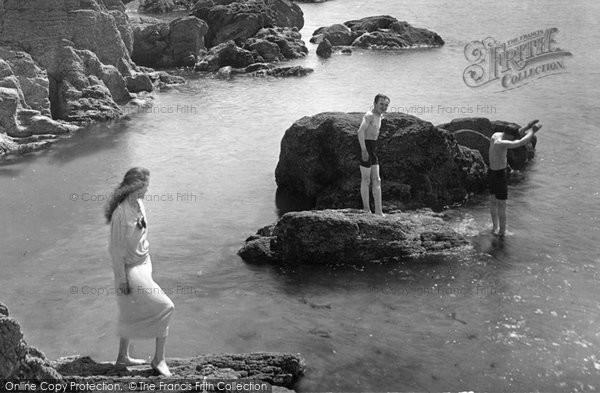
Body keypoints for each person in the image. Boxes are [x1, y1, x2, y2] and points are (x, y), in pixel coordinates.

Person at [104, 167, 175, 376]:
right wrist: (122, 280)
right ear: (134, 186)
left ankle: (122, 358)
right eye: (145, 186)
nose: (147, 190)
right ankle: (158, 360)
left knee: (129, 310)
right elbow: (115, 250)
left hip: (145, 263)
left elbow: (141, 234)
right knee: (166, 306)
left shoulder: (139, 204)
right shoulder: (120, 214)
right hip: (131, 270)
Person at [488, 119, 542, 237]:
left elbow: (517, 134)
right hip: (499, 175)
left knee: (493, 201)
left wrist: (528, 126)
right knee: (502, 204)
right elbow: (521, 142)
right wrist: (532, 131)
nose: (513, 139)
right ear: (508, 136)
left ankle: (494, 228)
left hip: (491, 172)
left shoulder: (496, 136)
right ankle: (502, 232)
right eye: (512, 138)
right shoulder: (501, 143)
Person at [358, 94, 390, 216]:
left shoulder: (379, 115)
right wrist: (363, 150)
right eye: (381, 104)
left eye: (386, 105)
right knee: (366, 180)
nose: (384, 107)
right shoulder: (369, 115)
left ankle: (378, 211)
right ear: (375, 103)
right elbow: (360, 131)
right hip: (365, 147)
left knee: (377, 179)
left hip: (373, 149)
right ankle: (366, 209)